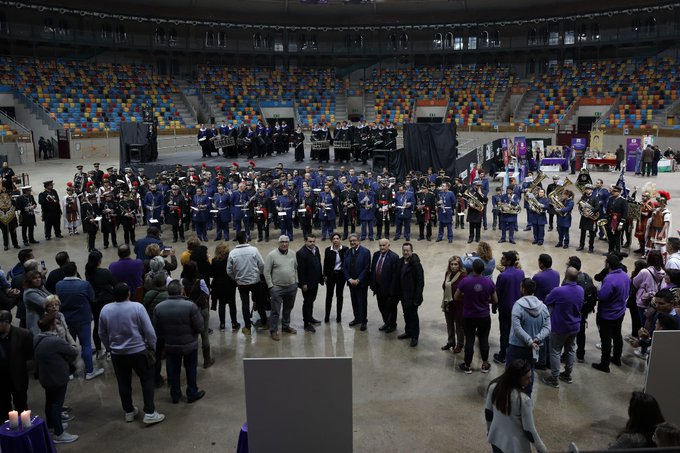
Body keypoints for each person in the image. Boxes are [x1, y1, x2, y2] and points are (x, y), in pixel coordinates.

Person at [99, 283, 165, 425]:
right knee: (147, 379)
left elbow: (102, 333)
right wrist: (153, 347)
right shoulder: (137, 307)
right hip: (138, 350)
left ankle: (128, 411)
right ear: (129, 293)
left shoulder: (106, 309)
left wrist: (109, 348)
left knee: (123, 382)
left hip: (118, 353)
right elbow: (149, 331)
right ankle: (149, 412)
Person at [153, 280, 206, 404]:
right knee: (191, 368)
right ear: (181, 291)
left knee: (173, 370)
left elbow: (157, 329)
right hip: (190, 344)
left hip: (170, 345)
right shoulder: (190, 306)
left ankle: (175, 394)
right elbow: (200, 327)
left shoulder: (159, 307)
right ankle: (192, 393)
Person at [33, 312, 79, 444]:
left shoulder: (38, 338)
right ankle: (59, 433)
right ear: (52, 326)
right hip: (57, 377)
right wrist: (73, 344)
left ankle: (51, 426)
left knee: (50, 402)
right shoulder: (55, 341)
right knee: (56, 404)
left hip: (45, 376)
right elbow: (74, 351)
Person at [485, 359, 547, 453]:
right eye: (527, 378)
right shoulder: (523, 400)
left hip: (496, 438)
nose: (530, 381)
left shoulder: (493, 387)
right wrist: (542, 448)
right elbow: (529, 430)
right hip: (515, 446)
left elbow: (488, 413)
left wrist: (489, 429)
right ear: (516, 378)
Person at [55, 262, 104, 380]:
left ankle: (70, 372)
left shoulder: (59, 285)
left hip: (66, 320)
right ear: (76, 270)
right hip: (83, 318)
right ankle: (89, 371)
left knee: (68, 345)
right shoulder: (84, 284)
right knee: (86, 345)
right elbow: (92, 298)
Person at [505, 279, 550, 396]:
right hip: (534, 349)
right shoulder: (543, 307)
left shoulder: (518, 306)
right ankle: (526, 398)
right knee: (529, 373)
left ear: (523, 289)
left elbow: (517, 328)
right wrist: (537, 338)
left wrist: (529, 341)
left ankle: (510, 397)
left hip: (517, 346)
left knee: (511, 373)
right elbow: (548, 327)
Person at [542, 268, 583, 389]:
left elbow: (547, 300)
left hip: (560, 326)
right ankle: (567, 374)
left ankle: (554, 378)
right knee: (570, 350)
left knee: (555, 351)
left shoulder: (559, 291)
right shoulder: (581, 290)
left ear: (565, 276)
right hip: (574, 325)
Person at [454, 259, 498, 374]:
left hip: (468, 316)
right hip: (483, 316)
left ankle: (467, 365)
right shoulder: (489, 282)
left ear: (472, 269)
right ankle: (484, 364)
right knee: (484, 339)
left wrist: (467, 298)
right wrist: (484, 300)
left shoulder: (465, 281)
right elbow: (495, 300)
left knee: (469, 340)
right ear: (483, 269)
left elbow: (456, 297)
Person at [593, 254, 630, 373]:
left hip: (607, 314)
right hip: (620, 311)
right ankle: (617, 359)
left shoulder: (609, 279)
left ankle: (604, 364)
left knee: (606, 339)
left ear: (608, 264)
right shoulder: (625, 276)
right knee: (617, 335)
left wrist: (597, 291)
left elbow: (602, 296)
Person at [227, 231, 268, 335]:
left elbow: (229, 270)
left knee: (245, 304)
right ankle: (264, 322)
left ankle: (247, 327)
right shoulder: (254, 250)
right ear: (246, 239)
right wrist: (259, 275)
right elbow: (262, 264)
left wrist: (236, 279)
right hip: (255, 281)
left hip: (241, 283)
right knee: (259, 302)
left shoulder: (232, 253)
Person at [632, 250, 666, 359]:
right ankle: (645, 348)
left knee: (644, 326)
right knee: (650, 324)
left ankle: (643, 350)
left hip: (643, 302)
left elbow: (635, 282)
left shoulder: (644, 272)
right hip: (655, 302)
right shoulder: (664, 273)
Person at [264, 236, 298, 341]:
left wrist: (296, 282)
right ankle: (273, 331)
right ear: (279, 243)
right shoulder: (272, 255)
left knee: (288, 309)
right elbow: (266, 272)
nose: (284, 244)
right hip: (277, 288)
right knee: (275, 311)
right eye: (282, 242)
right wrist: (271, 286)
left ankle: (285, 326)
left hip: (291, 287)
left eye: (286, 242)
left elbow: (295, 268)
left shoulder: (293, 254)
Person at [85, 250, 117, 359]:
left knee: (97, 325)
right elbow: (115, 283)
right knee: (110, 325)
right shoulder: (104, 272)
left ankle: (99, 349)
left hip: (95, 302)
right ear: (99, 261)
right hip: (107, 301)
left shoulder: (88, 273)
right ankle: (109, 350)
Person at [0, 310, 33, 417]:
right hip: (2, 380)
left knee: (22, 407)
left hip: (18, 378)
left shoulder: (24, 334)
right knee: (4, 408)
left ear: (6, 322)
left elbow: (30, 356)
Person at [494, 251, 524, 364]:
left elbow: (498, 293)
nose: (501, 259)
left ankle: (503, 355)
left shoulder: (502, 276)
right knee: (515, 332)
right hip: (518, 307)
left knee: (505, 332)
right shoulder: (521, 273)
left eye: (503, 258)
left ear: (509, 261)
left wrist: (494, 307)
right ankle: (514, 354)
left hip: (505, 308)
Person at [181, 261, 213, 368]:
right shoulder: (200, 281)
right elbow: (207, 293)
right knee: (204, 335)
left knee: (190, 335)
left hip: (187, 310)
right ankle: (207, 361)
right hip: (201, 309)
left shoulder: (182, 281)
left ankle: (189, 362)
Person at [395, 242, 424, 347]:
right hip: (403, 295)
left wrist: (417, 298)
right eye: (404, 250)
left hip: (412, 297)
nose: (406, 252)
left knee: (413, 316)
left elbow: (420, 282)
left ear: (411, 251)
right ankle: (408, 332)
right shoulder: (400, 262)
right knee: (406, 314)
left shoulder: (416, 264)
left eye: (408, 250)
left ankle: (415, 336)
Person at [370, 238, 400, 334]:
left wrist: (392, 291)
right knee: (381, 306)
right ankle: (386, 322)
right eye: (380, 245)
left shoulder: (394, 257)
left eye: (384, 245)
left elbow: (395, 276)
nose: (382, 247)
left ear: (388, 245)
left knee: (391, 308)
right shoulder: (376, 255)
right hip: (378, 287)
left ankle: (392, 324)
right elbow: (373, 270)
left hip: (389, 289)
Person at [343, 234, 371, 331]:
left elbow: (366, 268)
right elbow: (344, 267)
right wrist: (349, 279)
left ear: (359, 241)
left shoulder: (366, 252)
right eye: (351, 241)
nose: (352, 242)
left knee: (362, 302)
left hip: (361, 283)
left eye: (354, 240)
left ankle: (363, 321)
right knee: (354, 301)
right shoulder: (348, 252)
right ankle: (357, 318)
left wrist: (358, 279)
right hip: (351, 283)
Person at [296, 235, 323, 333]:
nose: (312, 243)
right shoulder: (301, 253)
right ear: (305, 241)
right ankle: (306, 323)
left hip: (315, 281)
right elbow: (301, 270)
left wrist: (320, 277)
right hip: (307, 283)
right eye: (310, 241)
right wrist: (303, 284)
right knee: (307, 302)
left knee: (312, 300)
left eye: (313, 241)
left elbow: (318, 263)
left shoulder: (316, 249)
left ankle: (310, 317)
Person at [441, 256, 467, 353]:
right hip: (448, 304)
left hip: (458, 305)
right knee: (449, 324)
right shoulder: (448, 274)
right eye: (451, 264)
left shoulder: (463, 276)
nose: (453, 266)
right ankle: (451, 341)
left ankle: (460, 344)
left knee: (459, 326)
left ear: (459, 265)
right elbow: (444, 286)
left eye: (455, 264)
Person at [211, 242, 239, 331]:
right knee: (232, 304)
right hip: (229, 284)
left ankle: (222, 324)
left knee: (221, 304)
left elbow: (213, 274)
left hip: (219, 284)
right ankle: (234, 323)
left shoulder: (214, 260)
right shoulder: (230, 259)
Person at [323, 233, 347, 323]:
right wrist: (324, 275)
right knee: (329, 296)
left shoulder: (345, 249)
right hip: (331, 275)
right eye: (334, 239)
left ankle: (339, 316)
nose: (336, 240)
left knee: (339, 296)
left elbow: (347, 263)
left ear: (340, 239)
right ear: (332, 240)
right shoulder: (328, 250)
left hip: (341, 275)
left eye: (337, 238)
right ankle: (327, 316)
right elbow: (325, 263)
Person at [23, 270, 50, 336]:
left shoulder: (40, 288)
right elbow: (45, 302)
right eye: (35, 278)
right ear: (29, 280)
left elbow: (50, 296)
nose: (38, 280)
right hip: (35, 321)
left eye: (39, 277)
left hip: (44, 319)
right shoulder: (29, 292)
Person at [576, 184, 600, 253]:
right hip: (584, 217)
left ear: (592, 190)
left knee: (592, 233)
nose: (587, 190)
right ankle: (581, 245)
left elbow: (597, 207)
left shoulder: (595, 198)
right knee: (582, 232)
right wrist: (582, 212)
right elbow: (580, 206)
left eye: (589, 189)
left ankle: (591, 247)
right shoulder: (583, 197)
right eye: (586, 189)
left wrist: (590, 212)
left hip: (591, 218)